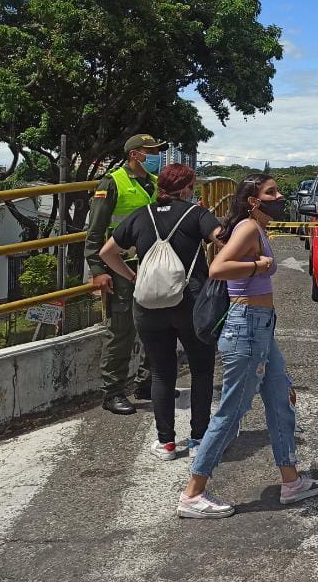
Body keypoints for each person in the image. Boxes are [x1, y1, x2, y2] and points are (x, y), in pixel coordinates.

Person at [178, 174, 318, 518]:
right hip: (246, 326)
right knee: (232, 411)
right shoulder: (247, 227)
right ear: (253, 201)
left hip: (261, 327)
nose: (279, 197)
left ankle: (291, 480)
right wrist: (258, 264)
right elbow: (217, 268)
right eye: (271, 192)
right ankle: (192, 493)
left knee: (280, 400)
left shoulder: (257, 228)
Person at [99, 164, 221, 461]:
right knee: (202, 371)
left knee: (161, 372)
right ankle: (198, 440)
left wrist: (131, 277)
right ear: (186, 188)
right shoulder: (196, 214)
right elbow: (222, 238)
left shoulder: (142, 215)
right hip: (190, 303)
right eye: (192, 186)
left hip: (149, 304)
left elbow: (107, 253)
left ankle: (166, 442)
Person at [85, 134, 166, 415]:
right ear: (134, 154)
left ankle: (146, 384)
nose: (156, 155)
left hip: (153, 265)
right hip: (121, 266)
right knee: (122, 330)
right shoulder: (113, 182)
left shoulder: (156, 184)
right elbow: (95, 230)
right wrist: (97, 269)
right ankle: (113, 392)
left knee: (156, 326)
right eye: (150, 151)